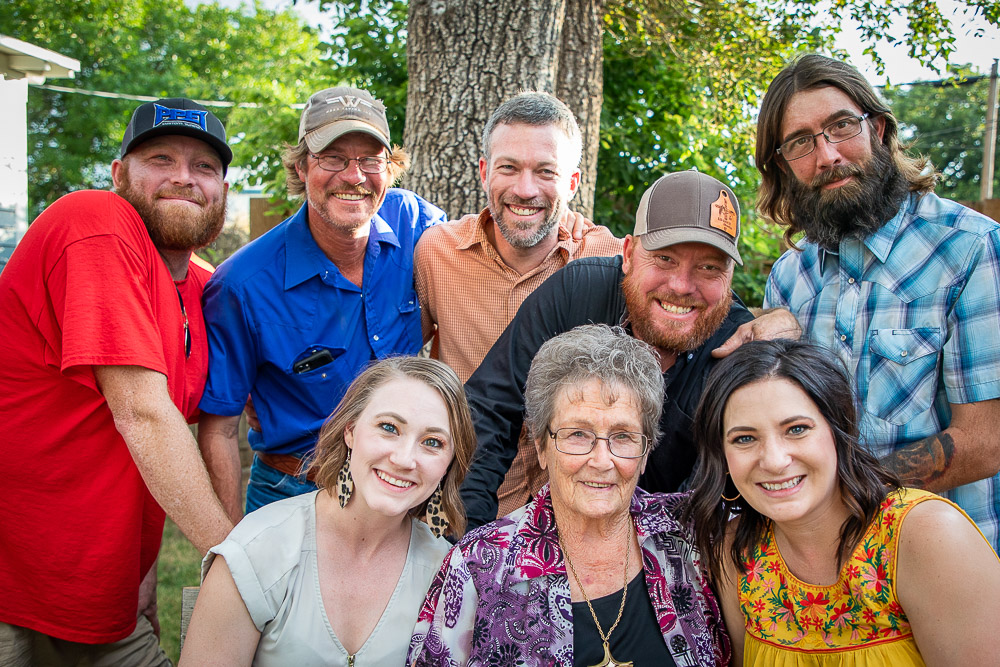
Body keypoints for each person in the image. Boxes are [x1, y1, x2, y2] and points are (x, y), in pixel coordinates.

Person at [0, 98, 235, 665]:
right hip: (13, 585)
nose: (184, 178)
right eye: (160, 158)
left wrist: (143, 572)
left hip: (100, 592)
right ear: (119, 174)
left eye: (204, 166)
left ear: (223, 187)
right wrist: (238, 565)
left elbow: (156, 440)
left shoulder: (201, 289)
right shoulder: (93, 222)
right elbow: (143, 412)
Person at [460, 170, 801, 529]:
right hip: (559, 525)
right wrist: (467, 536)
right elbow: (488, 409)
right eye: (665, 259)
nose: (682, 286)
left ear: (730, 277)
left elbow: (741, 480)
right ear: (627, 253)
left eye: (709, 267)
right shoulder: (577, 292)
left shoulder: (739, 345)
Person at [757, 54, 1000, 552]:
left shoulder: (971, 249)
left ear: (880, 129)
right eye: (801, 142)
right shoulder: (789, 279)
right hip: (826, 566)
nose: (827, 155)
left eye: (842, 126)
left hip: (949, 562)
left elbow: (985, 440)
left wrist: (836, 497)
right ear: (782, 165)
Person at [409, 324, 729, 666]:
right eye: (577, 434)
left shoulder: (692, 535)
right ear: (542, 447)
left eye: (623, 436)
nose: (602, 461)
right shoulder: (479, 565)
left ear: (646, 451)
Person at [198, 86, 447, 517]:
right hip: (293, 491)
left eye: (371, 160)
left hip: (402, 490)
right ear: (300, 166)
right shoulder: (244, 284)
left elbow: (484, 265)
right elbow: (219, 429)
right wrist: (229, 546)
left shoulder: (417, 226)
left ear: (390, 168)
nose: (354, 176)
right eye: (332, 158)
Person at [686, 339, 1000, 665]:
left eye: (796, 429)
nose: (775, 460)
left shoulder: (927, 535)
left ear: (838, 431)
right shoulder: (738, 549)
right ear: (722, 455)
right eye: (745, 439)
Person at [180, 356, 475, 666]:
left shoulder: (447, 573)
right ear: (350, 431)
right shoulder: (259, 548)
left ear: (450, 463)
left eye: (432, 442)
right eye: (389, 427)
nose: (404, 459)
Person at [415, 91, 622, 516]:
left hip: (575, 506)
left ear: (572, 182)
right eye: (509, 168)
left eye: (545, 171)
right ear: (485, 171)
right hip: (464, 497)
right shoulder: (437, 254)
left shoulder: (608, 258)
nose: (525, 189)